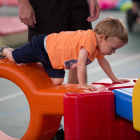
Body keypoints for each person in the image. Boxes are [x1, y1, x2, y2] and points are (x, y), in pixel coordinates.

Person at [0, 17, 130, 90]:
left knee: (57, 81)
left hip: (52, 60)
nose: (113, 52)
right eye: (113, 48)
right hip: (42, 47)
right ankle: (5, 50)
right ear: (101, 38)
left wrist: (114, 79)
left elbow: (103, 62)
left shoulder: (98, 47)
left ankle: (39, 64)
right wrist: (82, 84)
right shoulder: (89, 40)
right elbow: (81, 63)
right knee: (14, 58)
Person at [17, 0, 100, 85]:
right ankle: (45, 98)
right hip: (46, 5)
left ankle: (75, 97)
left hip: (78, 2)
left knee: (80, 50)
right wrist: (23, 2)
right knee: (42, 52)